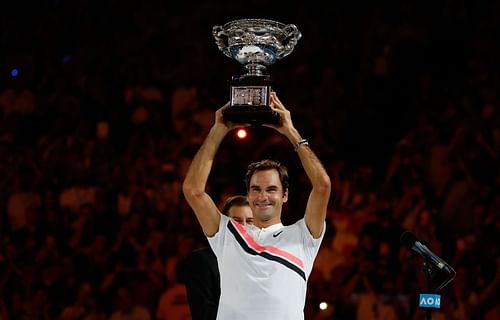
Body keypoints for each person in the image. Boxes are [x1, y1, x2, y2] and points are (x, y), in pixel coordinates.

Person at [182, 92, 332, 319]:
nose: (263, 196)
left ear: (285, 195)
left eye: (271, 189)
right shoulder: (228, 234)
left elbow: (322, 186)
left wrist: (290, 132)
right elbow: (193, 190)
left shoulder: (303, 236)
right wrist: (218, 131)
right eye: (256, 189)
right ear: (248, 195)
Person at [182, 195, 253, 320]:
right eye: (236, 221)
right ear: (224, 224)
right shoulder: (202, 260)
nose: (243, 226)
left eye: (249, 221)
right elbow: (204, 314)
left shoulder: (263, 261)